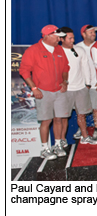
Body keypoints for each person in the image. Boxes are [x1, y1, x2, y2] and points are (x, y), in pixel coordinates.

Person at [19, 24, 70, 160]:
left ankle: (57, 145)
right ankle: (44, 149)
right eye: (57, 37)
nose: (59, 40)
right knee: (46, 121)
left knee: (58, 118)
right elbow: (24, 70)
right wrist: (34, 88)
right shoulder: (34, 50)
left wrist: (65, 82)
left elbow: (66, 67)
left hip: (59, 90)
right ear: (47, 36)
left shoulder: (59, 49)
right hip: (43, 91)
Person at [59, 27, 97, 145]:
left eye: (73, 38)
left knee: (81, 114)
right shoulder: (57, 51)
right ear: (61, 39)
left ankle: (85, 136)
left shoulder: (80, 50)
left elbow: (86, 67)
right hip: (66, 89)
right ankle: (62, 140)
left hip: (81, 88)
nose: (72, 40)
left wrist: (87, 83)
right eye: (69, 38)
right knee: (63, 116)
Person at [75, 24, 97, 141]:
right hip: (81, 84)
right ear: (83, 34)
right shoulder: (76, 47)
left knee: (96, 108)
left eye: (94, 32)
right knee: (81, 110)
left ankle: (96, 130)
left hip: (96, 83)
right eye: (91, 32)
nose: (93, 34)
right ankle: (82, 129)